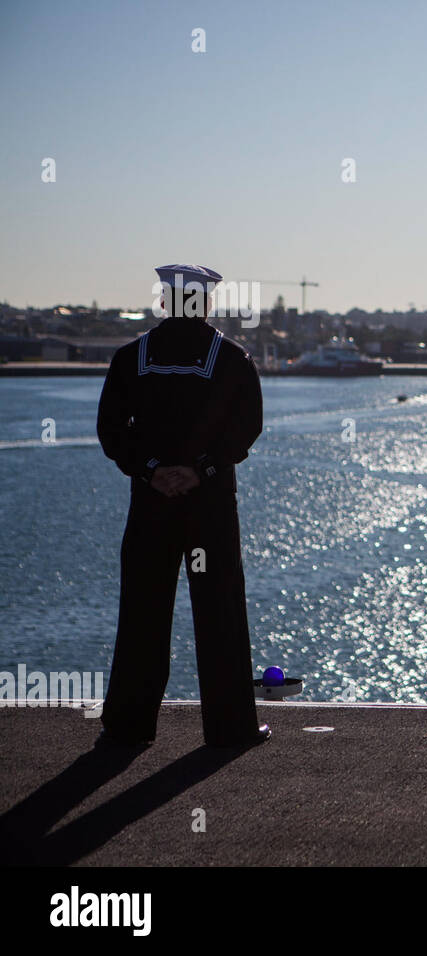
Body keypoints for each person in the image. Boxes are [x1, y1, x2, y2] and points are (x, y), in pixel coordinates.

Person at [95, 264, 269, 748]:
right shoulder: (233, 359)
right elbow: (247, 427)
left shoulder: (131, 357)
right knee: (220, 613)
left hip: (150, 505)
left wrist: (151, 469)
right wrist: (202, 469)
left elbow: (111, 430)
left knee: (142, 614)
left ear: (164, 301)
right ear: (207, 301)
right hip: (208, 507)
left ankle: (127, 728)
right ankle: (230, 729)